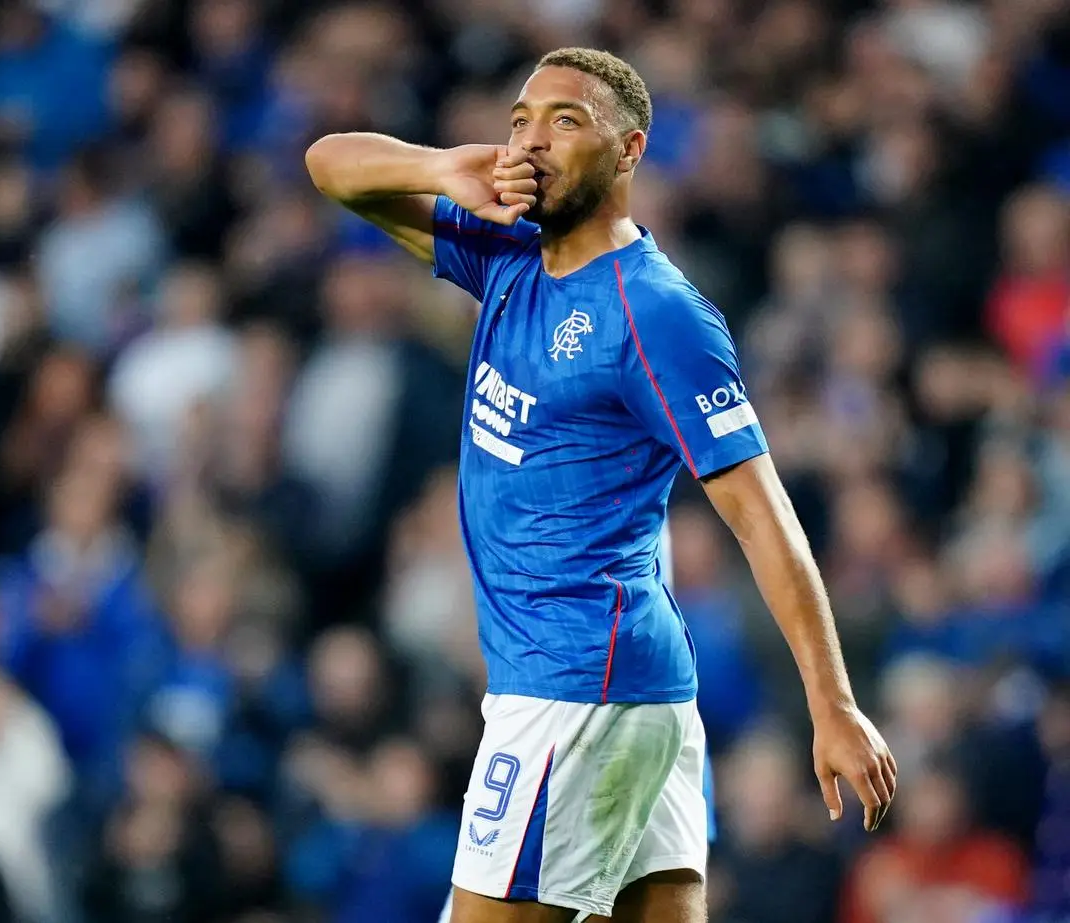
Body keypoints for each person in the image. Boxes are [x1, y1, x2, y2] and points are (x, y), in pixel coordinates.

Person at [306, 47, 896, 923]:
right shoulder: (503, 255)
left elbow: (763, 516)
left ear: (629, 151)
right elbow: (331, 167)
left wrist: (833, 701)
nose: (532, 140)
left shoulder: (654, 312)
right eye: (519, 121)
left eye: (565, 120)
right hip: (631, 695)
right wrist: (443, 168)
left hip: (575, 690)